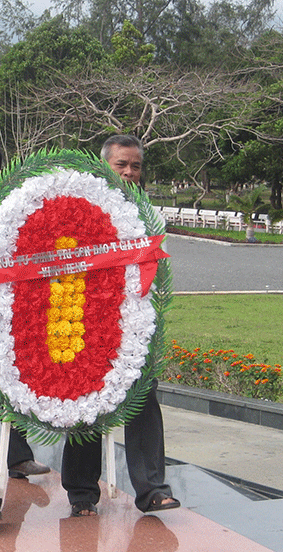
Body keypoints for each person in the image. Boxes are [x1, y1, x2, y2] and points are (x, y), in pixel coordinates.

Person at [60, 134, 180, 517]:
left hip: (133, 323)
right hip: (87, 319)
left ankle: (152, 490)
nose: (129, 172)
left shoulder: (151, 216)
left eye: (136, 166)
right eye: (121, 165)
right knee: (89, 402)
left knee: (144, 397)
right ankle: (81, 492)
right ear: (104, 167)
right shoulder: (81, 207)